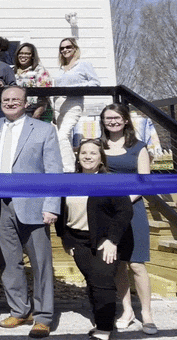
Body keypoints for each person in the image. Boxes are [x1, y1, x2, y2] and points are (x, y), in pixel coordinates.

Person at [0, 86, 62, 339]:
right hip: (2, 206)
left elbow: (54, 171)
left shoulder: (44, 130)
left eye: (15, 99)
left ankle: (43, 316)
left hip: (35, 205)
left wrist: (52, 205)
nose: (10, 103)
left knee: (41, 263)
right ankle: (19, 310)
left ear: (25, 102)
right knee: (8, 262)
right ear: (0, 102)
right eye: (6, 100)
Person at [56, 139, 133, 340]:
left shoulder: (110, 181)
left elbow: (125, 211)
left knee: (102, 280)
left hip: (105, 241)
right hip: (77, 240)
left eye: (93, 153)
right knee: (93, 281)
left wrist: (112, 240)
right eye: (83, 153)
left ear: (101, 159)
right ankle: (102, 320)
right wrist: (66, 239)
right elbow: (60, 211)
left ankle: (104, 329)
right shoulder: (69, 181)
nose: (88, 156)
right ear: (78, 157)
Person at [100, 103, 157, 335]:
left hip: (133, 211)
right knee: (117, 265)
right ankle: (127, 311)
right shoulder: (99, 145)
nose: (112, 121)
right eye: (107, 118)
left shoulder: (139, 147)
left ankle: (147, 314)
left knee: (136, 264)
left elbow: (144, 182)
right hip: (106, 212)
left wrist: (123, 204)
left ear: (125, 120)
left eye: (116, 117)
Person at [53, 37, 100, 172]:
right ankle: (66, 166)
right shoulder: (60, 69)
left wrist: (75, 87)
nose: (65, 50)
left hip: (74, 102)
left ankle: (70, 170)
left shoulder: (83, 65)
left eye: (68, 47)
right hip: (58, 105)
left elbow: (95, 83)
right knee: (64, 138)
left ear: (75, 48)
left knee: (62, 135)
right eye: (62, 48)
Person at [13, 43, 53, 121]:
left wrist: (37, 114)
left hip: (36, 112)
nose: (23, 56)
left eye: (27, 53)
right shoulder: (13, 72)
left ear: (32, 56)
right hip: (17, 112)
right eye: (21, 53)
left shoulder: (40, 71)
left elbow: (45, 95)